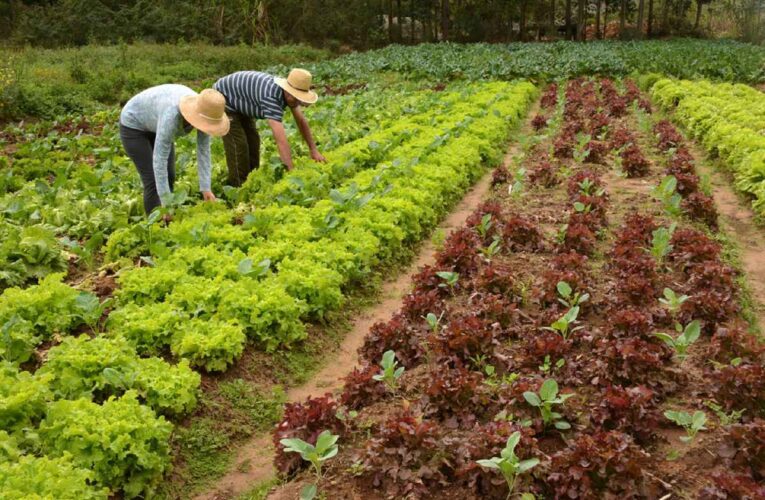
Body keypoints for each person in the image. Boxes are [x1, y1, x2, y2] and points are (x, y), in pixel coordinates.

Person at [119, 85, 230, 215]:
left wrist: (206, 188)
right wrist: (165, 204)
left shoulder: (207, 110)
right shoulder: (172, 114)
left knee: (170, 174)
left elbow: (203, 150)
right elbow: (159, 159)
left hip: (156, 121)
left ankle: (167, 216)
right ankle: (155, 226)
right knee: (153, 180)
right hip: (134, 124)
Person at [213, 68, 327, 186]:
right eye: (296, 97)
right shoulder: (271, 97)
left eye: (300, 98)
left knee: (253, 140)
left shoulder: (292, 98)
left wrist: (313, 150)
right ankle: (238, 186)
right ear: (287, 90)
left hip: (242, 100)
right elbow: (281, 140)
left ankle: (251, 180)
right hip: (223, 98)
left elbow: (301, 121)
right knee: (238, 144)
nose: (297, 101)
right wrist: (291, 172)